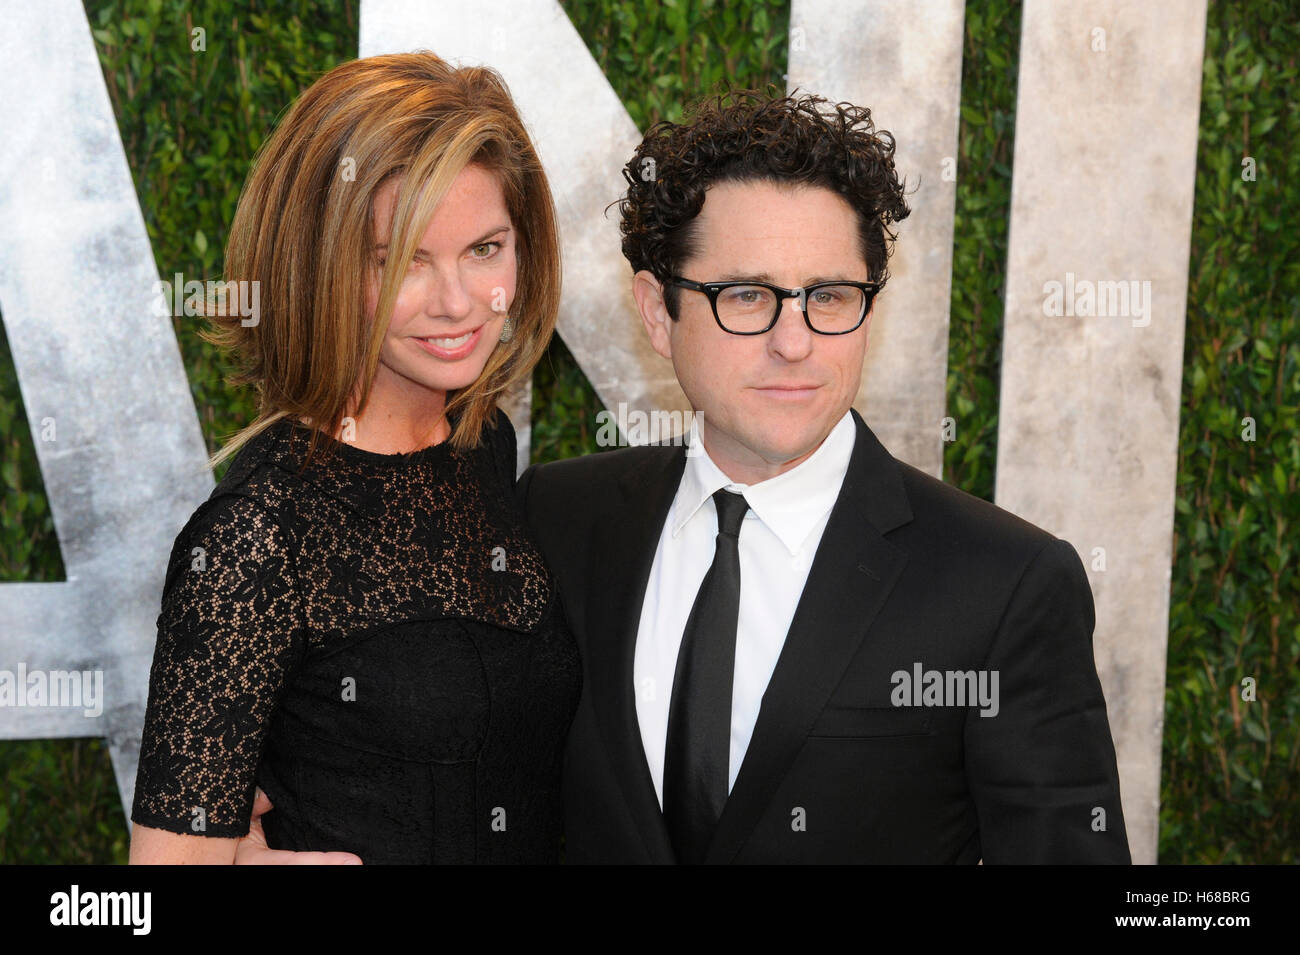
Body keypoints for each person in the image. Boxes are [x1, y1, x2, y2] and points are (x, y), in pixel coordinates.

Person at [516, 91, 1131, 863]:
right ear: (656, 311)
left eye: (830, 297)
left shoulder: (1004, 584)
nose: (795, 341)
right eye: (746, 295)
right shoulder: (560, 516)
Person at [128, 51, 579, 864]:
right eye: (401, 259)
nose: (457, 301)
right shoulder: (255, 539)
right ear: (321, 266)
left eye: (485, 249)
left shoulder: (482, 446)